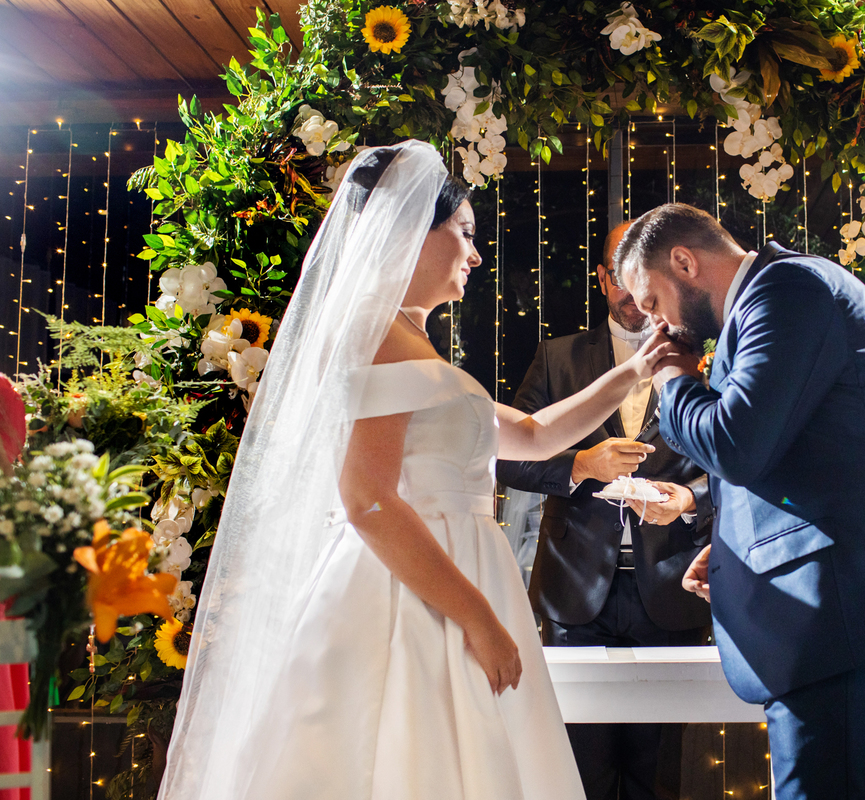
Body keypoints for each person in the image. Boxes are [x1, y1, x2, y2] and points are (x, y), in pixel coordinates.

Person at [158, 143, 678, 800]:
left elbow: (534, 434)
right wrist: (479, 618)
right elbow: (368, 501)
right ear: (409, 232)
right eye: (463, 234)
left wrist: (635, 369)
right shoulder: (374, 337)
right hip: (409, 593)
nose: (476, 254)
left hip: (457, 573)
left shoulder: (413, 343)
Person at [613, 203, 865, 800]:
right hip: (841, 610)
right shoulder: (773, 296)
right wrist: (732, 544)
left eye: (653, 302)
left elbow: (737, 445)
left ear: (684, 261)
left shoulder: (786, 290)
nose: (661, 328)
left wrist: (673, 381)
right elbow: (801, 454)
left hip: (849, 611)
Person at [497, 222, 713, 800]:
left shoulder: (706, 357)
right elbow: (507, 462)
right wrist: (580, 464)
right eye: (619, 274)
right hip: (574, 592)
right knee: (578, 769)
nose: (632, 288)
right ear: (602, 280)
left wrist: (690, 498)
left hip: (672, 587)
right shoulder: (557, 356)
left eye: (641, 274)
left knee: (661, 772)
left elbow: (736, 468)